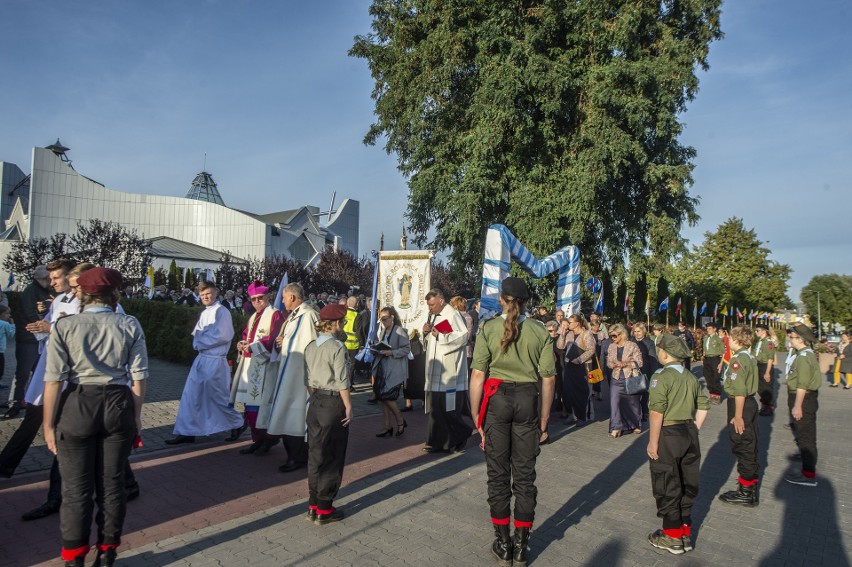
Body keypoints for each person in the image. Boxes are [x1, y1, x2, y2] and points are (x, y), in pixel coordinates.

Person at [42, 267, 147, 567]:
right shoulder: (129, 323)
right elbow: (139, 377)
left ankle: (74, 559)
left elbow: (53, 380)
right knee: (112, 486)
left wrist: (48, 425)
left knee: (75, 490)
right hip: (117, 402)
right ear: (114, 294)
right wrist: (137, 416)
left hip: (77, 402)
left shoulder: (65, 326)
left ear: (82, 293)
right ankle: (107, 552)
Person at [469, 277, 555, 567]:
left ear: (502, 299)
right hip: (528, 401)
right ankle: (521, 544)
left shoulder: (489, 328)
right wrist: (544, 420)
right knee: (525, 476)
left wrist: (475, 415)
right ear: (527, 302)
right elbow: (549, 378)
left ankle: (503, 542)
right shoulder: (540, 331)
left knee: (497, 474)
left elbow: (478, 375)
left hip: (497, 401)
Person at [646, 334, 709, 555]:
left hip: (668, 433)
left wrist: (653, 442)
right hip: (689, 431)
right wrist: (694, 429)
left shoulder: (661, 376)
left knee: (667, 482)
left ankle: (671, 536)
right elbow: (704, 405)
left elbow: (656, 411)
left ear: (664, 353)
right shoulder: (691, 377)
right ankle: (685, 533)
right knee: (687, 482)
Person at [166, 281, 244, 445]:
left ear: (216, 292)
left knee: (216, 397)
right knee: (191, 396)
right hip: (202, 359)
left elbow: (221, 335)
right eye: (202, 295)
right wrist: (201, 337)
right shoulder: (205, 313)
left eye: (207, 293)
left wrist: (201, 338)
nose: (205, 297)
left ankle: (237, 423)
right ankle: (187, 431)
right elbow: (198, 334)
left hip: (214, 361)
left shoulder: (222, 312)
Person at [304, 303, 353, 524]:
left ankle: (313, 503)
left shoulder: (311, 346)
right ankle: (325, 508)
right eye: (341, 322)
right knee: (332, 455)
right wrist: (348, 405)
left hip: (315, 402)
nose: (342, 326)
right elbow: (342, 380)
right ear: (333, 324)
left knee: (315, 454)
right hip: (333, 403)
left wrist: (315, 396)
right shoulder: (337, 347)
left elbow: (308, 379)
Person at [265, 282, 319, 472]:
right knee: (287, 412)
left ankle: (298, 457)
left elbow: (312, 344)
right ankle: (293, 454)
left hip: (300, 376)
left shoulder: (309, 315)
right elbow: (291, 340)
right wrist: (282, 341)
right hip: (289, 373)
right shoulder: (293, 317)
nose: (282, 301)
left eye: (284, 297)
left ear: (293, 298)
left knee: (297, 415)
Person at [229, 281, 285, 455]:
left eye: (260, 298)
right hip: (250, 366)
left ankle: (266, 440)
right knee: (249, 407)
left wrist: (253, 346)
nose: (257, 302)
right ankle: (256, 440)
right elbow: (247, 335)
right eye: (253, 299)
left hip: (265, 367)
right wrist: (241, 343)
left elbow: (275, 338)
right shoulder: (253, 316)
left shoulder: (275, 315)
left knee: (261, 407)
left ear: (267, 297)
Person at [422, 288, 472, 453]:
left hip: (448, 371)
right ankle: (438, 442)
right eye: (429, 305)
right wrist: (426, 332)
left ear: (441, 301)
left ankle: (461, 434)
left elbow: (462, 336)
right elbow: (433, 339)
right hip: (435, 368)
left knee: (447, 408)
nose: (430, 308)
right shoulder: (434, 315)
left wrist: (441, 336)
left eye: (432, 305)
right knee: (436, 409)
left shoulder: (452, 315)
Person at [717, 325, 760, 507]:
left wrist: (738, 415)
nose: (728, 342)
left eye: (730, 339)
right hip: (747, 403)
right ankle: (746, 487)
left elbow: (740, 390)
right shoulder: (747, 356)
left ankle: (746, 493)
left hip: (740, 404)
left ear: (737, 340)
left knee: (742, 445)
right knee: (746, 444)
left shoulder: (738, 359)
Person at [4, 265, 52, 418]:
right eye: (48, 279)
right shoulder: (31, 291)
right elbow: (29, 312)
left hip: (38, 338)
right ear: (42, 279)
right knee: (23, 373)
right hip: (29, 337)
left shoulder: (43, 290)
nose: (51, 282)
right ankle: (15, 402)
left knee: (36, 372)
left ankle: (29, 400)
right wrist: (42, 324)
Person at [784, 323, 821, 487]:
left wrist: (797, 405)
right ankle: (806, 462)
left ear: (800, 339)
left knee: (806, 437)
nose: (789, 339)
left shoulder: (804, 357)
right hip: (805, 398)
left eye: (791, 337)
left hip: (804, 399)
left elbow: (803, 384)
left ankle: (808, 474)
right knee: (804, 434)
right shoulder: (804, 354)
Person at [372, 307, 410, 437]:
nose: (383, 322)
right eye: (381, 319)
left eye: (385, 319)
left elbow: (406, 349)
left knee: (388, 397)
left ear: (392, 317)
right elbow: (382, 345)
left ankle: (400, 421)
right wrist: (375, 349)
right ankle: (387, 426)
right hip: (383, 367)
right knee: (382, 397)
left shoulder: (400, 331)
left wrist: (391, 352)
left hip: (395, 369)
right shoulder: (383, 331)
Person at [607, 324, 644, 438]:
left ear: (622, 334)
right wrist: (613, 365)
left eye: (614, 336)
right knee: (614, 403)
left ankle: (636, 424)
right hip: (616, 378)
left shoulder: (632, 345)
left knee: (633, 403)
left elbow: (640, 362)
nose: (613, 338)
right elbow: (608, 362)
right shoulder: (611, 346)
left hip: (630, 377)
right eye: (611, 336)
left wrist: (626, 364)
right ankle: (616, 427)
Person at [562, 313, 597, 426]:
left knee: (582, 391)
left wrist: (579, 359)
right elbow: (560, 346)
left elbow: (591, 350)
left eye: (570, 322)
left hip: (583, 366)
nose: (568, 324)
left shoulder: (586, 334)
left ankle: (583, 416)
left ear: (577, 323)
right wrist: (562, 334)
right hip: (570, 366)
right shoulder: (569, 334)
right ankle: (573, 415)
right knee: (569, 391)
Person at [631, 322, 657, 421]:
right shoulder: (631, 341)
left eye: (639, 331)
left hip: (645, 370)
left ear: (644, 331)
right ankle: (636, 412)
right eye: (635, 331)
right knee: (634, 392)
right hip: (633, 371)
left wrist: (653, 373)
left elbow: (653, 359)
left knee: (645, 392)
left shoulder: (649, 342)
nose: (637, 333)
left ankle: (645, 411)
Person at [752, 324, 776, 415]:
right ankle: (764, 405)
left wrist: (767, 372)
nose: (756, 332)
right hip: (759, 365)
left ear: (764, 331)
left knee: (766, 387)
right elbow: (755, 354)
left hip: (766, 365)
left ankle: (768, 407)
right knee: (760, 387)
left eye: (757, 330)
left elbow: (770, 358)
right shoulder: (759, 341)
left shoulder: (769, 342)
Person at [701, 323, 725, 405]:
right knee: (708, 376)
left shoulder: (719, 339)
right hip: (707, 359)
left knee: (716, 377)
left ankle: (717, 395)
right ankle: (712, 394)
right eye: (707, 328)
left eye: (710, 328)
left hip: (715, 359)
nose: (708, 330)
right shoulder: (706, 338)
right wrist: (703, 356)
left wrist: (721, 363)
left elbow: (723, 352)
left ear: (714, 329)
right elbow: (704, 348)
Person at [451, 295, 475, 372]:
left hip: (464, 352)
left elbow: (466, 336)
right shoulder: (451, 316)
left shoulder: (467, 318)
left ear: (455, 306)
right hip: (457, 352)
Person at [0, 305, 15, 389]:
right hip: (0, 350)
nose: (9, 315)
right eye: (7, 313)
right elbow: (11, 335)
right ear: (1, 314)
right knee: (1, 369)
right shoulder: (5, 324)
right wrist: (12, 324)